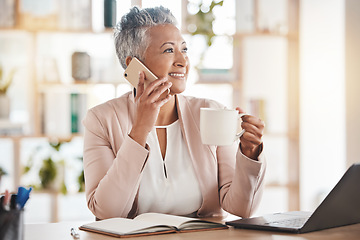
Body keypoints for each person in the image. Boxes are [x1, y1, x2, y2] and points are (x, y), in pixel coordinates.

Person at [83, 6, 266, 220]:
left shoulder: (210, 112)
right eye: (169, 50)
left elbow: (242, 208)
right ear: (134, 65)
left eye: (184, 49)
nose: (183, 61)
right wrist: (140, 130)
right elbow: (108, 212)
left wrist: (250, 153)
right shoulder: (101, 120)